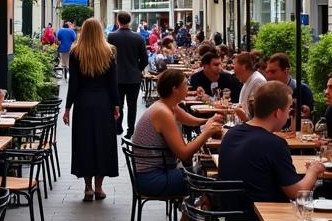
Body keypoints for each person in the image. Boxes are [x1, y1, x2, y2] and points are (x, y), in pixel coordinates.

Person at [218, 82, 325, 204]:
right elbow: (296, 193)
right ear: (278, 113)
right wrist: (313, 170)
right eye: (289, 109)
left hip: (230, 216)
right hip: (262, 218)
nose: (289, 116)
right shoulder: (274, 144)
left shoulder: (231, 133)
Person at [131, 68, 223, 201]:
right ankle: (193, 216)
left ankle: (190, 216)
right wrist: (207, 132)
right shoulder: (163, 112)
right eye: (185, 84)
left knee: (202, 172)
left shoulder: (166, 105)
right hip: (152, 179)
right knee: (207, 178)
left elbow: (190, 121)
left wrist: (208, 121)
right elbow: (184, 154)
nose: (188, 87)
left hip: (153, 173)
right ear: (175, 89)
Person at [63, 18, 120, 201]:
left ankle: (87, 187)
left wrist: (67, 107)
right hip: (104, 103)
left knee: (84, 143)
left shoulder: (76, 52)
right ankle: (99, 187)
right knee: (103, 143)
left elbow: (74, 83)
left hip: (83, 102)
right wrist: (117, 105)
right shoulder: (109, 52)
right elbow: (113, 82)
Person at [108, 11, 149, 137]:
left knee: (117, 104)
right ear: (130, 21)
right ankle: (131, 130)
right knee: (132, 105)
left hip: (117, 77)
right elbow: (145, 60)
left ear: (118, 21)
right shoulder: (139, 38)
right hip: (134, 77)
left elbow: (108, 58)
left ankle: (118, 127)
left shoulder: (111, 37)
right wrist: (137, 69)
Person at [263, 53, 313, 126]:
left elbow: (306, 121)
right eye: (267, 72)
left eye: (273, 72)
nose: (269, 76)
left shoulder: (302, 90)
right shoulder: (268, 92)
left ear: (286, 71)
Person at [233, 51, 266, 120]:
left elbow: (256, 117)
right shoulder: (250, 79)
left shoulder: (258, 81)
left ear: (244, 66)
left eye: (235, 64)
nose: (233, 69)